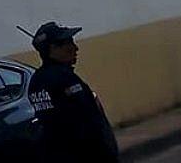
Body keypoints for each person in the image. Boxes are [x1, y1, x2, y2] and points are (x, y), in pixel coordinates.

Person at [27, 22, 119, 162]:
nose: (75, 48)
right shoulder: (65, 80)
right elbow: (87, 122)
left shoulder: (36, 81)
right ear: (53, 48)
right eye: (68, 43)